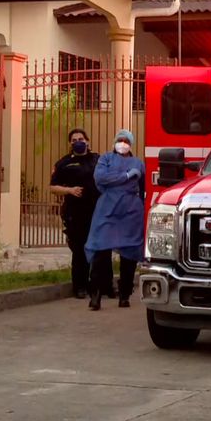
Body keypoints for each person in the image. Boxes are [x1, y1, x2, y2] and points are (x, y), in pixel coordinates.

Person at [85, 129, 146, 311]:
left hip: (130, 210)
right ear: (114, 141)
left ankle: (124, 294)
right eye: (120, 139)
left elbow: (142, 187)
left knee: (129, 253)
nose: (123, 143)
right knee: (100, 251)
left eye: (126, 140)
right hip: (108, 208)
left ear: (131, 143)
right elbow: (101, 178)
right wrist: (126, 176)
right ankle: (95, 295)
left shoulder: (138, 163)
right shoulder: (105, 159)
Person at [50, 128, 101, 299]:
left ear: (87, 140)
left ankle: (99, 286)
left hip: (96, 212)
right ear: (70, 144)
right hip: (75, 213)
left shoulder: (98, 160)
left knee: (98, 251)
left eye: (80, 138)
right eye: (74, 140)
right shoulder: (64, 163)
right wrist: (69, 190)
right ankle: (79, 287)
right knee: (79, 251)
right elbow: (52, 187)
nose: (78, 142)